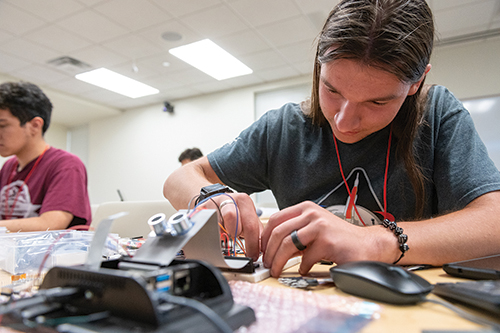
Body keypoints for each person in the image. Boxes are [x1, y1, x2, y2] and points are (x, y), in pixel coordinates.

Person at [164, 0, 500, 278]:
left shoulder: (437, 114)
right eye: (332, 90)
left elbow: (493, 220)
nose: (343, 120)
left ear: (416, 83)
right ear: (319, 65)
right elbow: (181, 178)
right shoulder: (284, 128)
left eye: (377, 102)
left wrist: (377, 242)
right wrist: (211, 197)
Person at [0, 81, 92, 232]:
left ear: (35, 126)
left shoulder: (66, 164)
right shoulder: (8, 167)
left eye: (2, 125)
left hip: (53, 254)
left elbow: (51, 224)